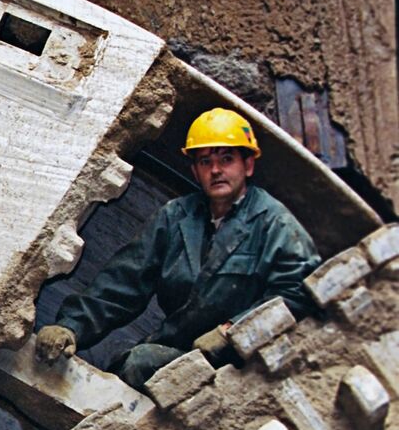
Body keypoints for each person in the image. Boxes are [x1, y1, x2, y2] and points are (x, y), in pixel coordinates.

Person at [35, 107, 321, 390]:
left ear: (248, 166)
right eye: (205, 161)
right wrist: (71, 326)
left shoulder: (274, 223)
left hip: (242, 367)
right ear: (195, 171)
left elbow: (299, 292)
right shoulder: (176, 217)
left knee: (143, 364)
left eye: (227, 159)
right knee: (136, 365)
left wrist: (232, 331)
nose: (216, 170)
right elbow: (124, 283)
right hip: (180, 350)